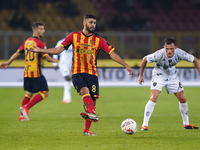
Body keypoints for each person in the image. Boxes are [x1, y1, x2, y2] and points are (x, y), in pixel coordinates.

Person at [28, 14, 134, 136]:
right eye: (90, 22)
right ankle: (91, 112)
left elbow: (112, 53)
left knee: (92, 101)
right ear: (84, 23)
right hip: (77, 72)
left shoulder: (99, 39)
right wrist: (40, 50)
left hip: (92, 74)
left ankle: (87, 129)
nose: (93, 25)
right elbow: (58, 50)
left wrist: (125, 65)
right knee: (84, 91)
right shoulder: (73, 36)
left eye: (94, 22)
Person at [138, 37, 200, 131]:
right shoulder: (159, 54)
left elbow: (195, 60)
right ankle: (144, 125)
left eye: (171, 49)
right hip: (159, 75)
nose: (169, 51)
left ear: (176, 47)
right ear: (164, 47)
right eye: (167, 49)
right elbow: (144, 60)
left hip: (172, 76)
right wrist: (141, 75)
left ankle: (186, 124)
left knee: (183, 98)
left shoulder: (180, 53)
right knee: (154, 97)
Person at [0, 22, 57, 121]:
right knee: (45, 92)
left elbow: (17, 53)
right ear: (35, 30)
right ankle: (26, 108)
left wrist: (8, 62)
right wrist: (54, 60)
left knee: (29, 92)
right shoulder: (40, 42)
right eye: (41, 29)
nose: (44, 31)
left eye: (43, 29)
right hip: (36, 72)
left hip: (27, 72)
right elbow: (46, 57)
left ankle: (22, 116)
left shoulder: (27, 41)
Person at [53, 32, 73, 103]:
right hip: (64, 64)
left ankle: (66, 98)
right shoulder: (61, 42)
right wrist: (55, 63)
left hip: (72, 64)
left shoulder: (74, 43)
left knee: (69, 80)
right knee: (67, 78)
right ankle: (67, 97)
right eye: (67, 34)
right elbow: (55, 52)